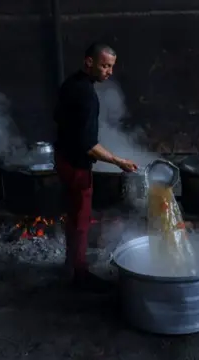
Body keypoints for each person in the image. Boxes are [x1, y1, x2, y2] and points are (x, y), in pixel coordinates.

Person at [54, 42, 138, 292]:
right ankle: (79, 275)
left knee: (72, 214)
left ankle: (71, 261)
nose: (109, 72)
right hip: (77, 166)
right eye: (104, 65)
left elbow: (57, 117)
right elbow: (89, 145)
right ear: (88, 62)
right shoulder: (87, 97)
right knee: (81, 220)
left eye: (111, 66)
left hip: (62, 157)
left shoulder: (70, 84)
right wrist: (118, 161)